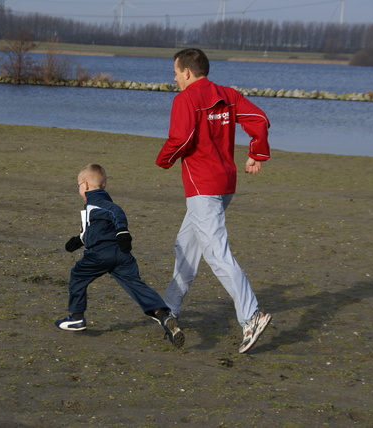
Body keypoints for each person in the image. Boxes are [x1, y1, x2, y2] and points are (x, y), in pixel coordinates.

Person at [156, 48, 272, 353]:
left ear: (188, 73)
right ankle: (168, 308)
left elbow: (180, 139)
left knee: (216, 254)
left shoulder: (186, 99)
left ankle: (251, 316)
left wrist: (163, 160)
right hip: (225, 184)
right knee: (186, 246)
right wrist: (256, 153)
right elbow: (259, 119)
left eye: (175, 72)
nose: (174, 78)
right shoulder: (228, 94)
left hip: (203, 188)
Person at [56, 163, 185, 348]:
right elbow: (92, 231)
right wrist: (77, 241)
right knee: (136, 285)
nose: (78, 189)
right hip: (121, 256)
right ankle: (164, 317)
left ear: (84, 185)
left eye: (78, 186)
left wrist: (123, 232)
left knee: (77, 275)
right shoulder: (95, 205)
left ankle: (76, 317)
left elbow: (116, 212)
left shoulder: (96, 202)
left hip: (102, 253)